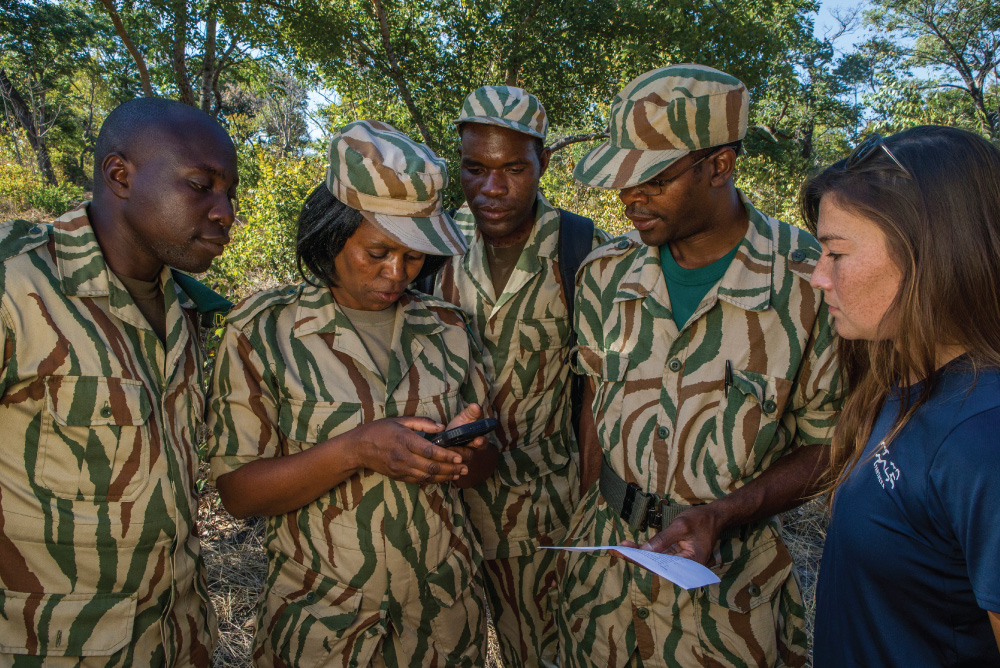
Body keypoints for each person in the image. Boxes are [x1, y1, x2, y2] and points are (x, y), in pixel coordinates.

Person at [555, 64, 844, 668]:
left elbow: (833, 443)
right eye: (621, 179)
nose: (628, 197)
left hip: (729, 597)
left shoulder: (809, 282)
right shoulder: (604, 276)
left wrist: (724, 513)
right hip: (603, 579)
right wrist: (591, 512)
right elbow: (594, 404)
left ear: (719, 165)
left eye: (652, 180)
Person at [206, 119, 497, 668]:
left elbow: (486, 466)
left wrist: (465, 457)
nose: (396, 273)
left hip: (442, 620)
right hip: (320, 621)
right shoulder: (264, 330)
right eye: (378, 252)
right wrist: (356, 449)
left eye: (413, 256)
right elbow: (239, 494)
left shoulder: (447, 326)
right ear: (333, 234)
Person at [0, 98, 235, 666]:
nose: (225, 212)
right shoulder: (18, 286)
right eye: (201, 185)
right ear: (120, 176)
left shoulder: (186, 308)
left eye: (230, 193)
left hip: (176, 636)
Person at [422, 85, 608, 668]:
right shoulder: (434, 247)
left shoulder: (585, 252)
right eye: (475, 169)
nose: (492, 188)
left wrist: (588, 514)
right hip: (444, 510)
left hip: (548, 515)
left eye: (512, 169)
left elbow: (598, 397)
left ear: (542, 163)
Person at [804, 126, 1000, 667]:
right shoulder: (903, 382)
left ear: (931, 253)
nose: (819, 277)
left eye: (836, 253)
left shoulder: (983, 437)